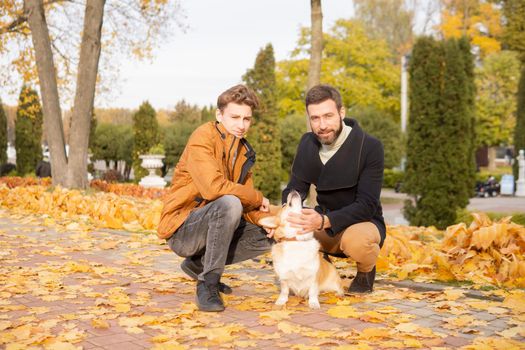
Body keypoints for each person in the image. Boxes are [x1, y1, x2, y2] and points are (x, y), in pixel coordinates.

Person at [157, 84, 273, 312]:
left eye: (247, 119)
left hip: (215, 221)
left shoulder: (243, 151)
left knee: (271, 235)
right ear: (219, 114)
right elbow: (213, 189)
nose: (241, 125)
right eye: (235, 117)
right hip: (183, 228)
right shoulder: (203, 137)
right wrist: (258, 197)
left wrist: (270, 220)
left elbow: (247, 203)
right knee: (228, 203)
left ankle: (197, 264)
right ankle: (207, 284)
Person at [280, 84, 386, 293]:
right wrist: (291, 209)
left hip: (363, 222)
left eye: (328, 116)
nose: (322, 125)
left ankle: (366, 272)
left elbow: (367, 205)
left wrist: (324, 221)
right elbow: (296, 187)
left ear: (341, 112)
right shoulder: (307, 143)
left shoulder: (370, 147)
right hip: (323, 219)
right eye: (315, 118)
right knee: (277, 217)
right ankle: (317, 264)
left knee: (357, 241)